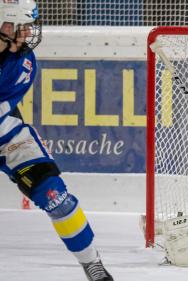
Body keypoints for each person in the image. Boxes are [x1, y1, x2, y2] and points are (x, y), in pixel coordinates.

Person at [0, 1, 113, 280]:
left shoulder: (23, 62)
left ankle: (92, 264)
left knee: (57, 198)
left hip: (8, 135)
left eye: (28, 27)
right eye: (21, 26)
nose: (27, 33)